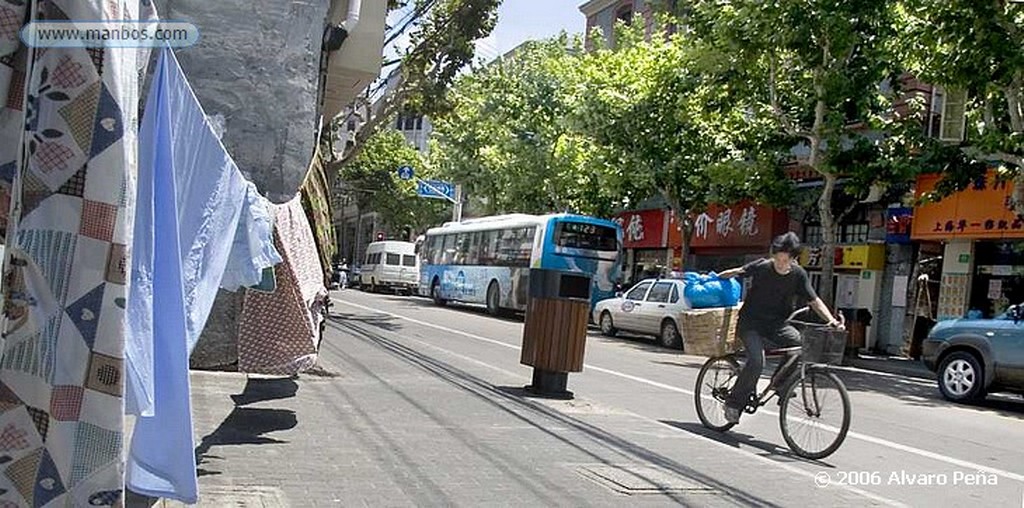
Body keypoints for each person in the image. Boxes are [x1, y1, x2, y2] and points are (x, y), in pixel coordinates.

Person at [717, 232, 845, 424]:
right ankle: (733, 404)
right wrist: (719, 277)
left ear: (793, 259)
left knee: (798, 346)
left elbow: (814, 300)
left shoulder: (798, 275)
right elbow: (739, 271)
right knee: (757, 362)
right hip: (750, 323)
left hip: (776, 324)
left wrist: (832, 321)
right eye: (777, 258)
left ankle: (780, 384)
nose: (780, 263)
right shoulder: (763, 267)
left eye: (785, 260)